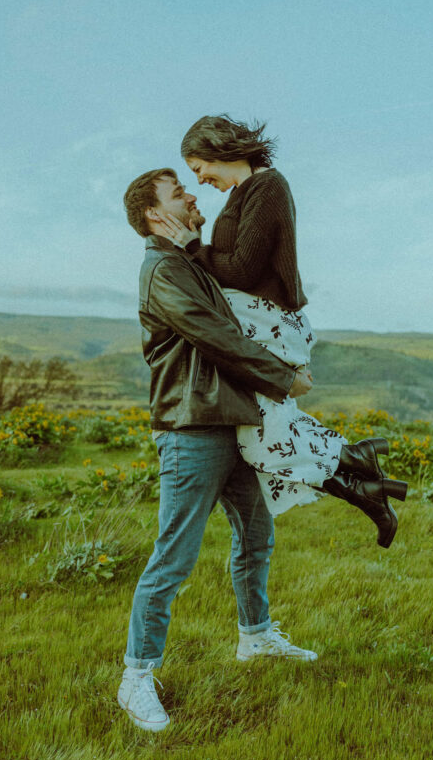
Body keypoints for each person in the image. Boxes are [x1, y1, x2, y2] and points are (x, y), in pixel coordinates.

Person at [118, 167, 317, 733]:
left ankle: (256, 638)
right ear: (155, 215)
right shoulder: (162, 271)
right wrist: (284, 377)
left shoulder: (189, 263)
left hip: (234, 422)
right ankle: (135, 678)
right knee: (173, 557)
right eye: (177, 193)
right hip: (192, 428)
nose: (190, 193)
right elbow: (217, 335)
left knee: (257, 536)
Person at [152, 114, 408, 545]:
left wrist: (193, 249)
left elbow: (243, 269)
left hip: (267, 321)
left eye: (199, 168)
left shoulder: (268, 187)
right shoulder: (245, 192)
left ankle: (360, 473)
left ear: (219, 150)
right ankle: (361, 479)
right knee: (273, 430)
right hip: (259, 321)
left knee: (262, 442)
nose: (201, 179)